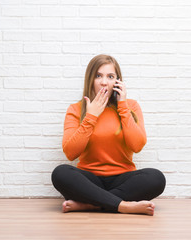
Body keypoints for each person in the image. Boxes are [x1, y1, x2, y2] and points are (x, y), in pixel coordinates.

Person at [51, 54, 166, 216]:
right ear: (90, 79)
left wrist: (122, 106)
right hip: (89, 180)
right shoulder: (76, 109)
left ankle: (92, 205)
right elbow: (70, 153)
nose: (104, 82)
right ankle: (123, 206)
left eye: (110, 76)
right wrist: (91, 116)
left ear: (118, 81)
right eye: (98, 76)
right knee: (60, 173)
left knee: (156, 178)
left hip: (123, 179)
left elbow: (137, 145)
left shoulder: (130, 106)